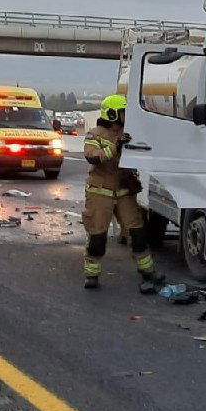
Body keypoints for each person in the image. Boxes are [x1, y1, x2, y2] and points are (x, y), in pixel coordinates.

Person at [82, 94, 166, 293]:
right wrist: (115, 147)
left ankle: (148, 271)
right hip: (100, 192)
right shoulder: (95, 134)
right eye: (122, 112)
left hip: (124, 190)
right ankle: (91, 274)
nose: (125, 116)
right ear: (112, 114)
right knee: (97, 235)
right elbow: (91, 157)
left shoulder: (129, 134)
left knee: (137, 232)